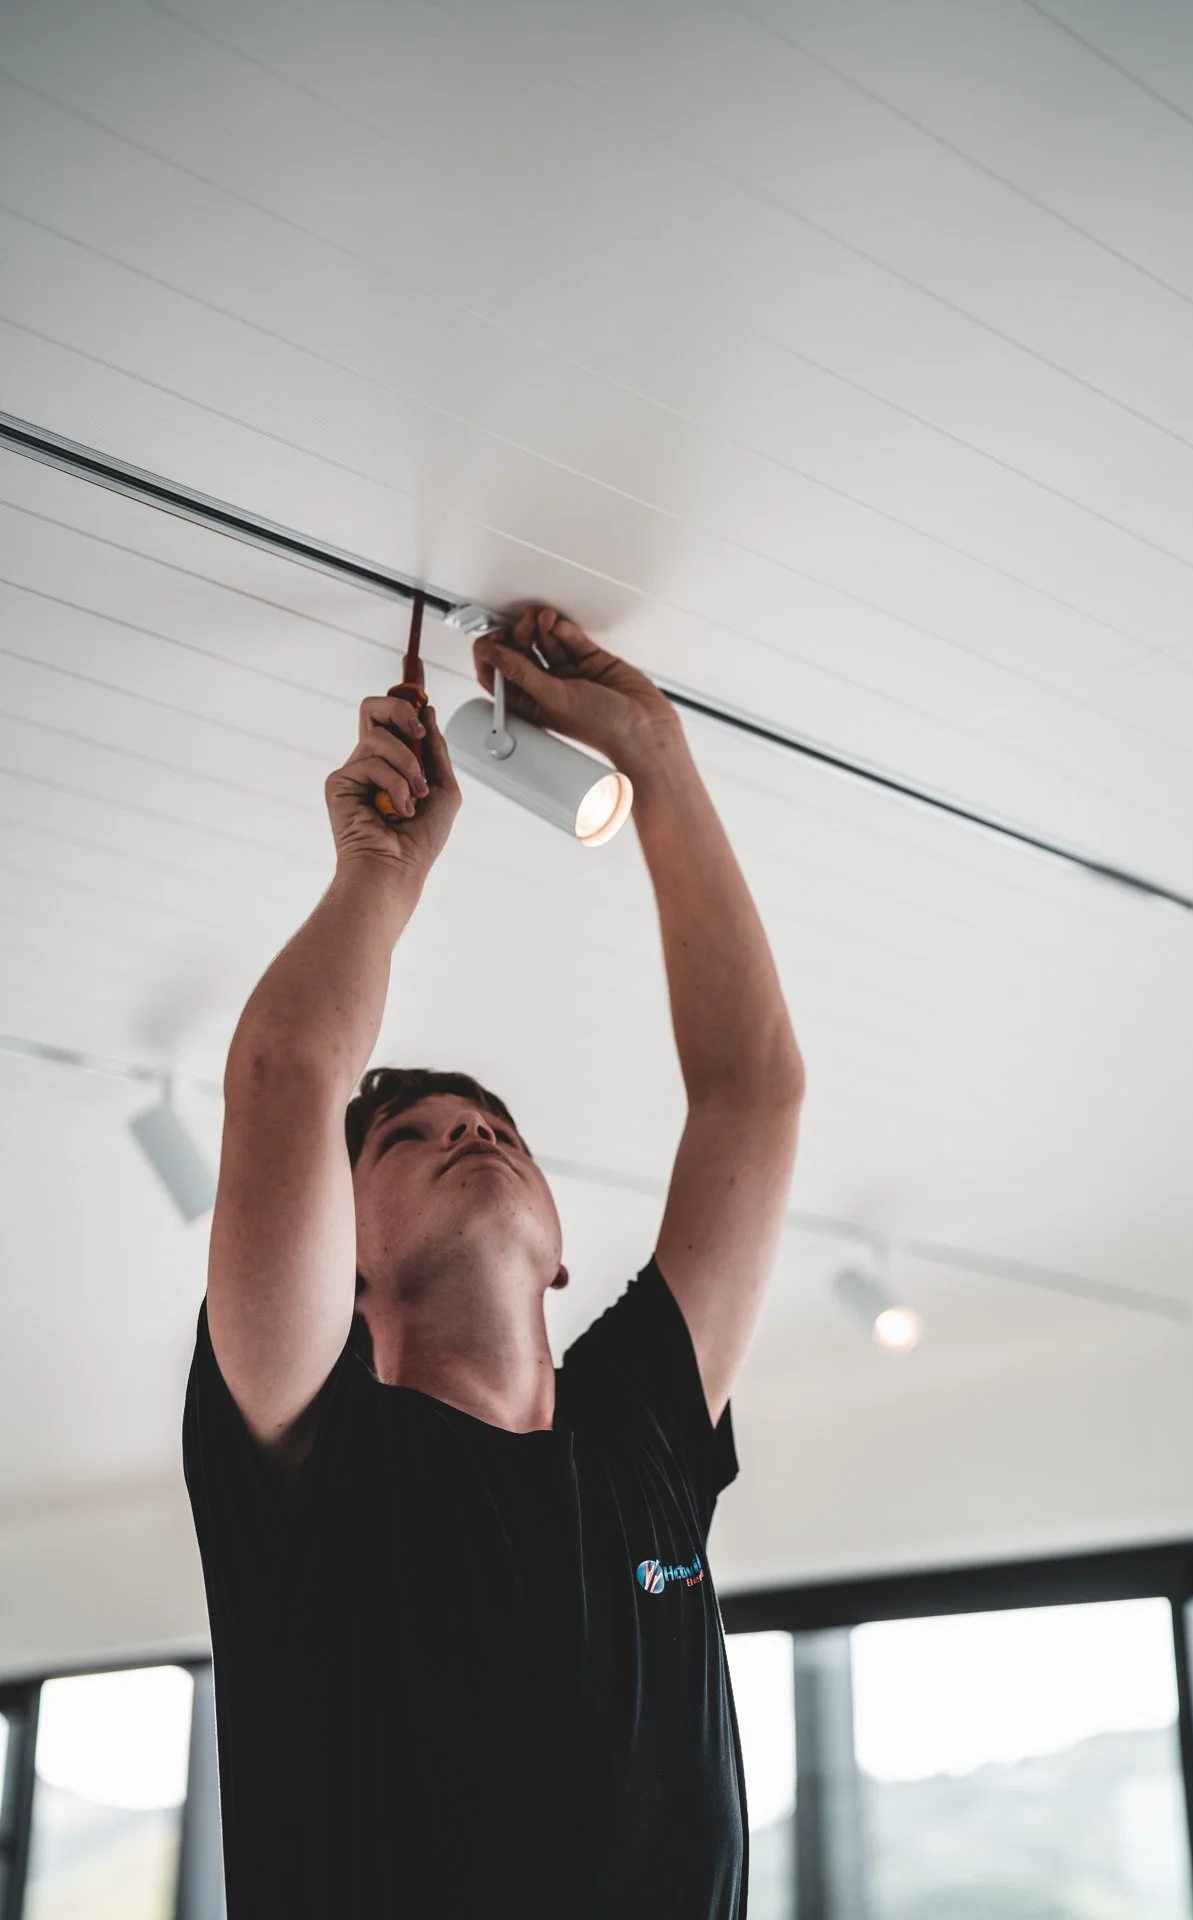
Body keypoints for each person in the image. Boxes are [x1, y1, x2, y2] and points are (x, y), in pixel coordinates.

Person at [182, 605, 805, 1919]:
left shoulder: (639, 1434)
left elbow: (751, 1094)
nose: (470, 1130)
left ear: (562, 1256)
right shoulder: (311, 1448)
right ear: (340, 1260)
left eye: (496, 1129)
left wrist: (657, 756)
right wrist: (379, 871)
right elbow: (289, 1074)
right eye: (410, 1136)